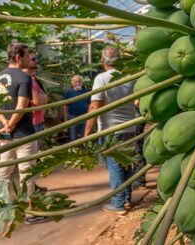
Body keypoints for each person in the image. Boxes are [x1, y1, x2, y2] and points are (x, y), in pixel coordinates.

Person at [0, 43, 49, 225]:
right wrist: (11, 124)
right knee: (26, 174)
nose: (29, 59)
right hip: (23, 133)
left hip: (4, 133)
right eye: (27, 56)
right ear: (18, 57)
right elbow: (22, 106)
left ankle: (1, 209)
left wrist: (4, 124)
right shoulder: (24, 78)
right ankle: (29, 213)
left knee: (4, 172)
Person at [84, 46, 137, 215]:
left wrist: (87, 132)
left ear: (102, 61)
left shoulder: (102, 79)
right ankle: (127, 198)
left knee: (115, 166)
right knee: (126, 163)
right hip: (130, 127)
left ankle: (118, 202)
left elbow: (95, 106)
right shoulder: (130, 77)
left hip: (110, 130)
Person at [23, 52, 48, 135]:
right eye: (33, 59)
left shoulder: (34, 80)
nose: (36, 61)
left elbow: (45, 99)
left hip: (38, 120)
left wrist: (41, 98)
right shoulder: (26, 80)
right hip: (31, 123)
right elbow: (38, 102)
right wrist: (41, 97)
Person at [63, 75, 90, 141]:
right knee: (73, 137)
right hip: (73, 117)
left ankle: (85, 150)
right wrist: (65, 118)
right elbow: (65, 106)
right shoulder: (69, 93)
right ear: (72, 83)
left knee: (85, 136)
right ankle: (73, 150)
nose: (78, 83)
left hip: (84, 116)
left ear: (82, 82)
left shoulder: (87, 92)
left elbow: (90, 104)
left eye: (79, 81)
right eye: (76, 81)